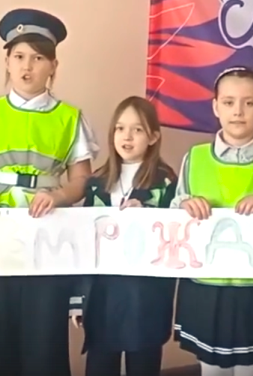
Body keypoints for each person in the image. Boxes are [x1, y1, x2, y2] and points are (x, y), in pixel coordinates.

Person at [0, 8, 99, 376]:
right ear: (6, 61)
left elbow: (81, 180)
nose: (27, 66)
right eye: (19, 56)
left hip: (48, 235)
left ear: (53, 66)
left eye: (37, 58)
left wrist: (59, 196)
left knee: (43, 335)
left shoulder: (70, 118)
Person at [171, 66, 253, 376]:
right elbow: (175, 210)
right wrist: (186, 204)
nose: (238, 111)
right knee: (211, 370)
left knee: (250, 370)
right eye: (229, 102)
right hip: (206, 284)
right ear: (215, 106)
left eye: (248, 102)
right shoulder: (194, 157)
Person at [69, 96, 178, 376]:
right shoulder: (97, 183)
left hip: (145, 295)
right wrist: (78, 299)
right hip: (102, 294)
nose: (127, 136)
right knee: (100, 365)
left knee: (143, 364)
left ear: (153, 137)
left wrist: (147, 216)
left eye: (137, 129)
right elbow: (84, 245)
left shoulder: (165, 182)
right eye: (120, 128)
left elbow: (175, 239)